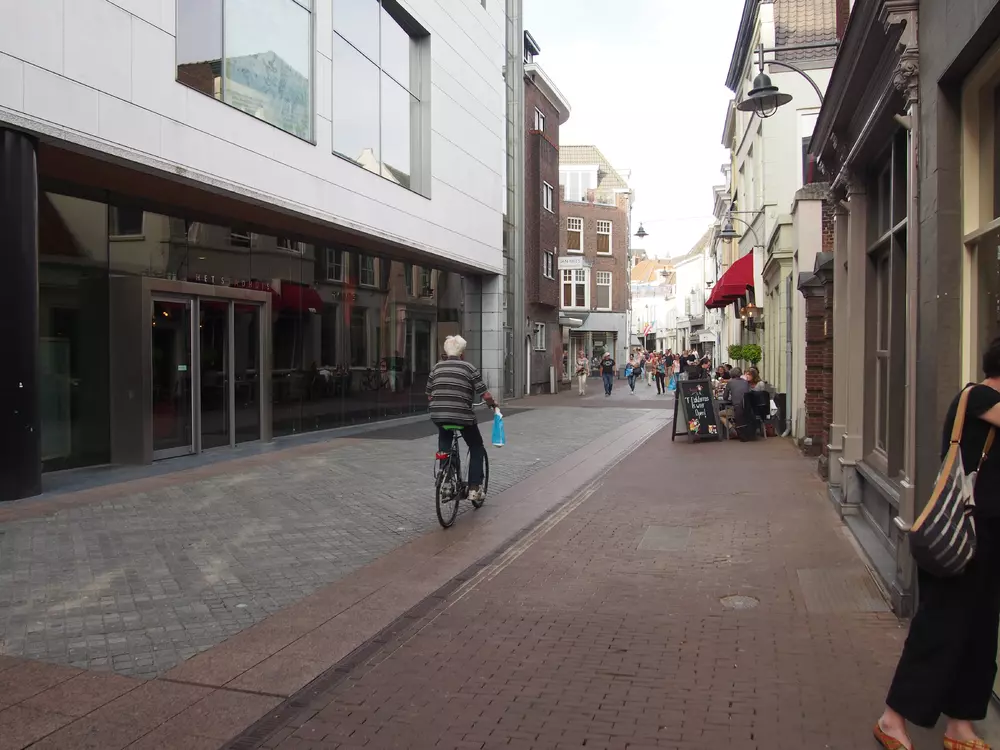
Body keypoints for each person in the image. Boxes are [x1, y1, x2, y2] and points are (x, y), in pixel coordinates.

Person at [874, 337, 1000, 750]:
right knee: (939, 628)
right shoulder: (979, 396)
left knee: (980, 634)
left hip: (989, 538)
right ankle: (892, 719)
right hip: (961, 536)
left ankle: (960, 726)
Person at [426, 335, 497, 503]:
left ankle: (447, 483)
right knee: (476, 446)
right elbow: (485, 394)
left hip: (439, 416)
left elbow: (429, 395)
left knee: (445, 445)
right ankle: (474, 488)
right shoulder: (468, 368)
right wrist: (493, 405)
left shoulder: (436, 368)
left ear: (446, 352)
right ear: (462, 353)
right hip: (463, 416)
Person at [723, 367, 751, 440]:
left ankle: (732, 429)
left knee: (719, 414)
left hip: (737, 408)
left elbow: (725, 397)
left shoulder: (730, 382)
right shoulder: (745, 382)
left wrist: (731, 397)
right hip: (747, 408)